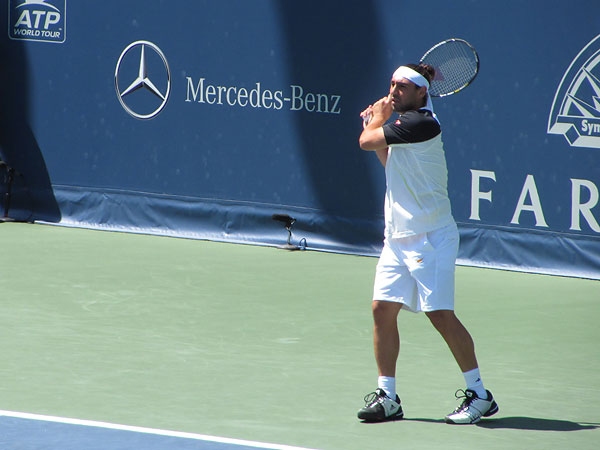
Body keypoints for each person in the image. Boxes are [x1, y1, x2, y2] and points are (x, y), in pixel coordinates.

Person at [356, 63, 498, 425]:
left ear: (422, 92)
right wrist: (376, 122)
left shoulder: (423, 123)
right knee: (381, 309)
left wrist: (376, 120)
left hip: (430, 238)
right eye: (391, 84)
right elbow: (388, 161)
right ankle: (388, 397)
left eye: (402, 87)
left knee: (440, 315)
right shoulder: (404, 126)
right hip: (397, 237)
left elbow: (366, 142)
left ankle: (480, 395)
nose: (393, 91)